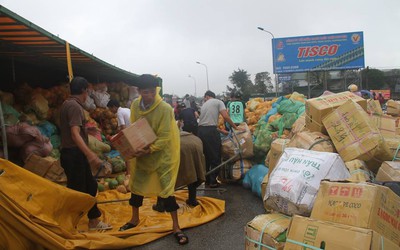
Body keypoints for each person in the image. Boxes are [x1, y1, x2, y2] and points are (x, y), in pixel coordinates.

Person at [119, 74, 188, 245]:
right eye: (144, 92)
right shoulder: (135, 105)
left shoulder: (164, 108)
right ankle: (134, 219)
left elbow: (165, 136)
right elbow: (135, 127)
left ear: (155, 90)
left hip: (162, 154)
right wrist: (133, 145)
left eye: (151, 92)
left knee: (167, 191)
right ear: (139, 91)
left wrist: (150, 149)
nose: (148, 95)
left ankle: (176, 227)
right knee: (136, 187)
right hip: (142, 152)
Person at [59, 76, 112, 231]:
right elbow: (74, 135)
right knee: (78, 192)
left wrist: (87, 129)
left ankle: (93, 221)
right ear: (84, 91)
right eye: (88, 92)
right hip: (74, 154)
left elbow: (71, 129)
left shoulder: (67, 104)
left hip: (71, 154)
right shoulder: (75, 106)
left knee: (89, 186)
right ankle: (68, 224)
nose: (88, 95)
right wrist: (90, 155)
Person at [153, 131, 206, 211]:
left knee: (164, 174)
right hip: (193, 142)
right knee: (192, 171)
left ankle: (161, 204)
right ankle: (192, 199)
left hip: (174, 143)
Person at [198, 90, 240, 188]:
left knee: (207, 157)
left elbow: (206, 122)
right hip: (210, 132)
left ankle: (207, 181)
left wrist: (221, 131)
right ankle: (213, 181)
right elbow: (225, 116)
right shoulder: (218, 102)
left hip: (200, 131)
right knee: (216, 156)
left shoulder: (204, 105)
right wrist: (235, 127)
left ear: (207, 97)